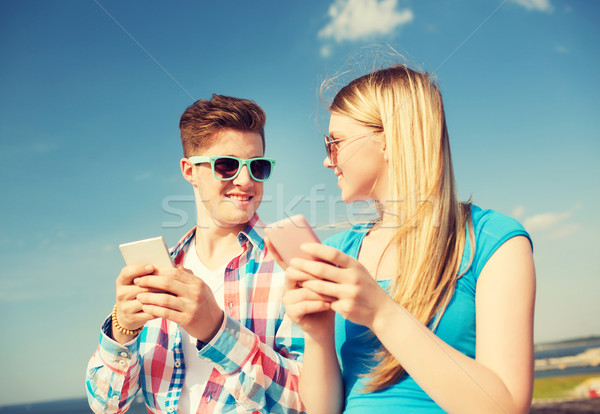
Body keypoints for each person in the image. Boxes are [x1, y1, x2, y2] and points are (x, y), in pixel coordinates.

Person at [273, 65, 536, 413]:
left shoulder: (493, 240)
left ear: (388, 138)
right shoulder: (338, 252)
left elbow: (507, 407)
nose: (327, 160)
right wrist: (318, 334)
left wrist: (382, 313)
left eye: (334, 142)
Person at [86, 94, 305, 414]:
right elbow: (105, 406)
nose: (246, 180)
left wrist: (218, 332)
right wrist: (123, 331)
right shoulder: (160, 271)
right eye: (227, 165)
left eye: (256, 166)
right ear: (189, 170)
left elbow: (310, 399)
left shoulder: (292, 264)